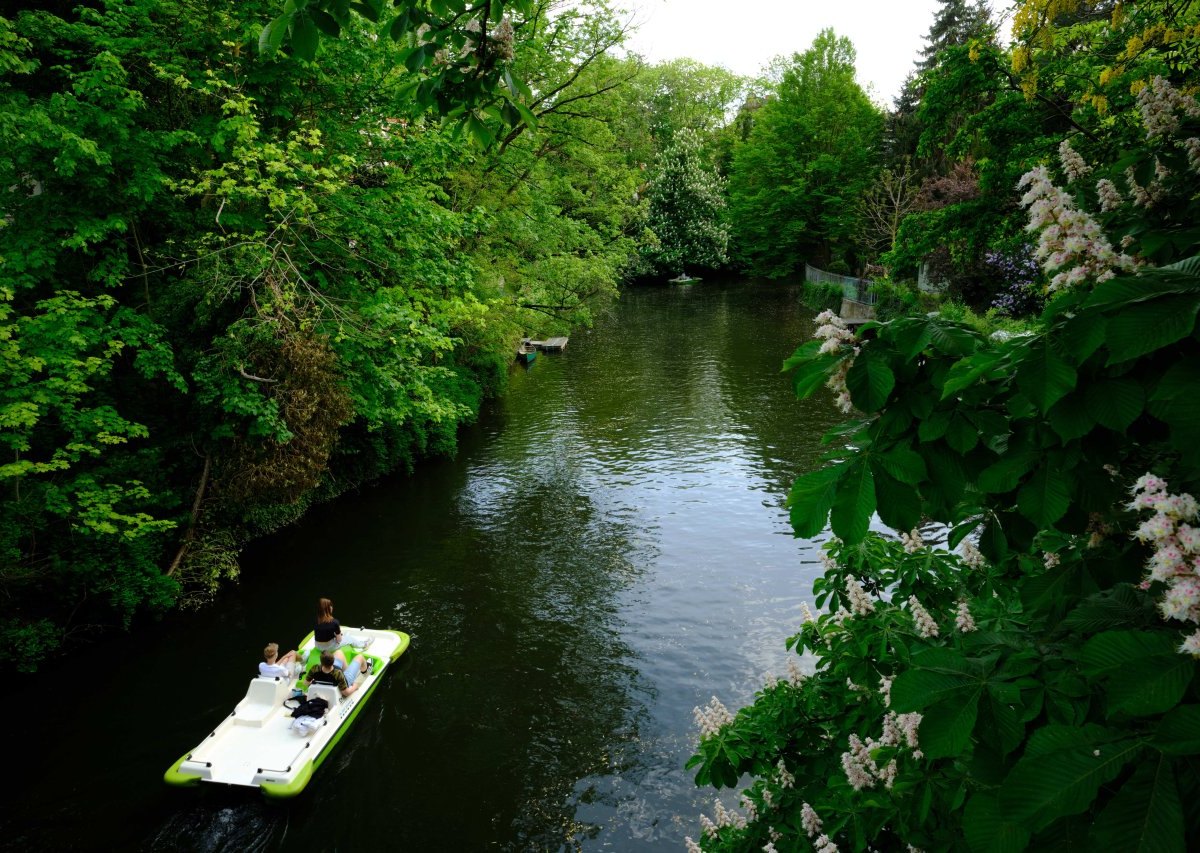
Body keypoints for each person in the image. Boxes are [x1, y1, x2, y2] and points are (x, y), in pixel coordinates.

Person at [305, 650, 371, 698]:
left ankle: (347, 671)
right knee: (360, 657)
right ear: (333, 661)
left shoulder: (315, 668)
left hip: (332, 680)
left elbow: (306, 683)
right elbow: (346, 693)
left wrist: (318, 685)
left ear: (321, 662)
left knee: (339, 652)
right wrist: (355, 686)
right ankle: (365, 673)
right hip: (345, 681)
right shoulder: (337, 673)